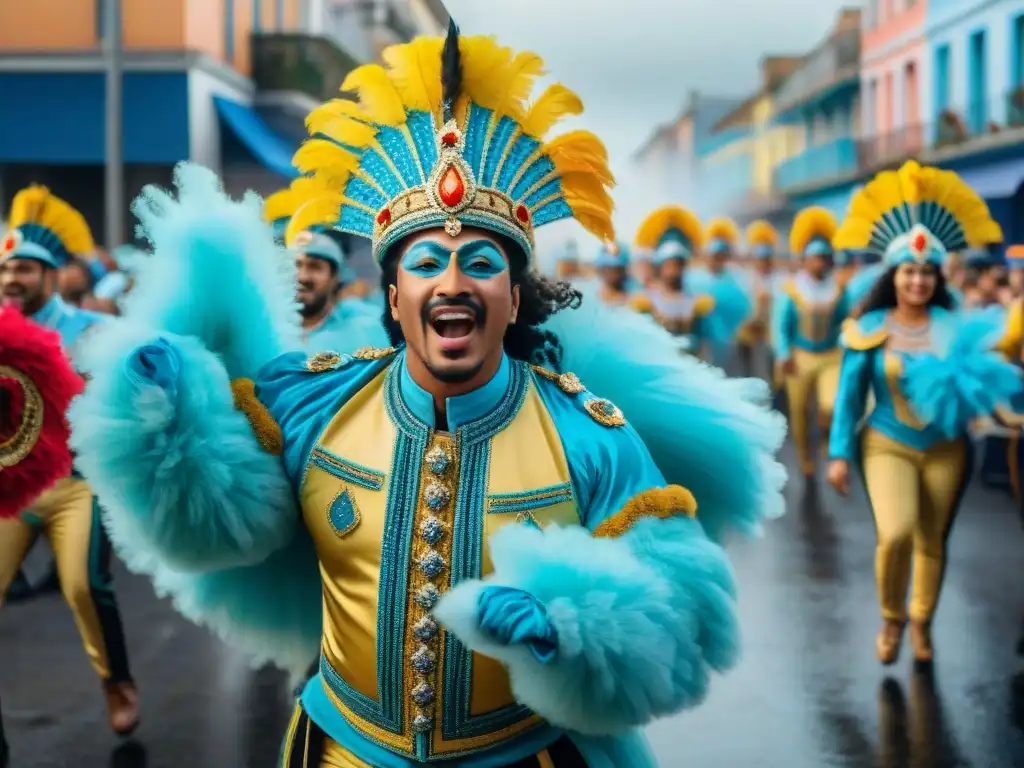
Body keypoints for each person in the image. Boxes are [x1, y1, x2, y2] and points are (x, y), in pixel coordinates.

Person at [70, 26, 787, 767]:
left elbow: (682, 605)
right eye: (426, 263)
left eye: (479, 263)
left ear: (514, 297)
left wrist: (573, 629)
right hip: (342, 748)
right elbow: (220, 520)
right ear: (394, 293)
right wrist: (164, 412)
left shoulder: (591, 434)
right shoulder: (313, 405)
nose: (451, 283)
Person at [827, 160, 1016, 666]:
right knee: (896, 533)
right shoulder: (868, 326)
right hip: (886, 441)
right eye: (909, 271)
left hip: (946, 447)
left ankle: (922, 622)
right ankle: (892, 617)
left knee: (933, 539)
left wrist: (1005, 413)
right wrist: (839, 454)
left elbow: (984, 380)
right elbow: (849, 397)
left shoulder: (958, 325)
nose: (918, 280)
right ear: (894, 275)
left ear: (937, 277)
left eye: (927, 272)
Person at [0, 186, 140, 736]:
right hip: (11, 490)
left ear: (52, 275)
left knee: (83, 586)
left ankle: (117, 683)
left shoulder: (91, 332)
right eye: (6, 268)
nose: (12, 279)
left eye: (25, 270)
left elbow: (128, 398)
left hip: (77, 487)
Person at [772, 206, 848, 477]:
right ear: (804, 260)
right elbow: (781, 327)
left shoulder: (838, 287)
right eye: (815, 258)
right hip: (800, 356)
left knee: (831, 404)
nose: (820, 263)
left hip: (831, 355)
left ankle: (827, 439)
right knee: (799, 412)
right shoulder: (791, 290)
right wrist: (783, 354)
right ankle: (806, 456)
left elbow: (844, 319)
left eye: (825, 258)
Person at [631, 205, 716, 356]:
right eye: (668, 265)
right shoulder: (645, 302)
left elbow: (705, 345)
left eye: (678, 264)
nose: (673, 270)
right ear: (659, 266)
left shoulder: (698, 304)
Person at [736, 220, 780, 378]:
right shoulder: (744, 279)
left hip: (770, 336)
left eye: (766, 258)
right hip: (749, 337)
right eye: (760, 258)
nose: (763, 262)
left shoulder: (779, 280)